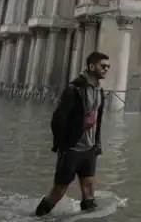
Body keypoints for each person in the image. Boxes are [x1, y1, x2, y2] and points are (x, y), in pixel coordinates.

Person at [35, 51, 108, 217]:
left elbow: (99, 119)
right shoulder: (73, 89)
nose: (106, 69)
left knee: (89, 191)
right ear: (91, 66)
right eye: (102, 66)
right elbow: (57, 119)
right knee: (59, 191)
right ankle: (36, 217)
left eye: (108, 67)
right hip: (72, 149)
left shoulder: (99, 90)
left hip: (89, 150)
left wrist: (97, 144)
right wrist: (62, 145)